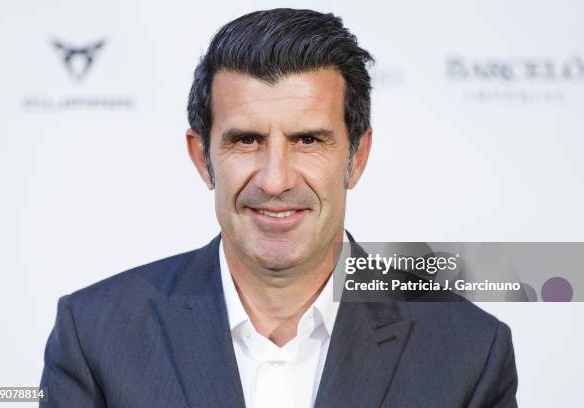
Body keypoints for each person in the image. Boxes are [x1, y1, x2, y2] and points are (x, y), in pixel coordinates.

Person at [40, 8, 518, 407]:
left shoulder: (468, 349)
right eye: (246, 140)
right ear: (202, 158)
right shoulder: (96, 335)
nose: (275, 180)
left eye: (308, 140)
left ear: (358, 157)